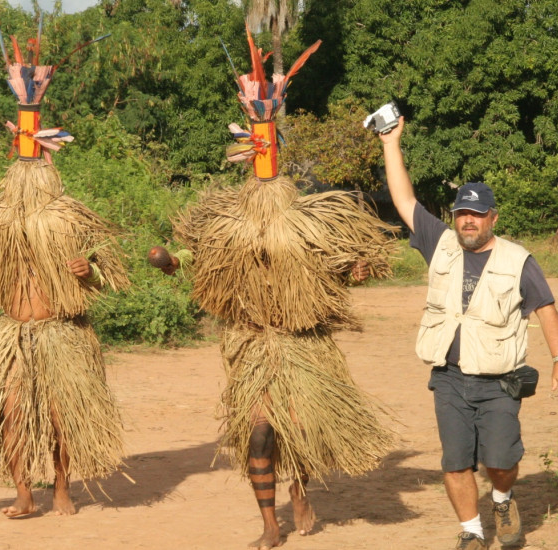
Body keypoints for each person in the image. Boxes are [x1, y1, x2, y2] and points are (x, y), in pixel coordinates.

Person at [151, 26, 396, 550]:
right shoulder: (227, 221)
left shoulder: (309, 218)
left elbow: (350, 259)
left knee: (298, 429)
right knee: (259, 434)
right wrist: (172, 262)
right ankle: (269, 523)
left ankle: (300, 489)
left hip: (301, 344)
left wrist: (354, 270)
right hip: (252, 346)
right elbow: (196, 259)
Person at [0, 31, 129, 519]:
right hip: (13, 333)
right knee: (11, 413)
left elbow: (110, 269)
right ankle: (24, 492)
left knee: (62, 417)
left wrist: (89, 269)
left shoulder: (69, 214)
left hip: (62, 332)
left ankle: (63, 487)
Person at [378, 116, 558, 549]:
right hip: (449, 377)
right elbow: (404, 200)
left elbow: (546, 309)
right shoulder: (440, 243)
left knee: (500, 460)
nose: (468, 221)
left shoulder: (518, 260)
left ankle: (502, 499)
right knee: (455, 462)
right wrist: (391, 143)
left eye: (476, 215)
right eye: (461, 214)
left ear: (492, 218)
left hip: (499, 381)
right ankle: (471, 530)